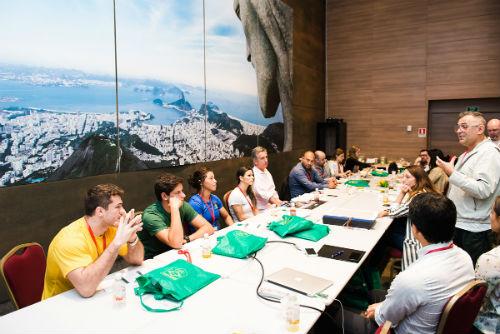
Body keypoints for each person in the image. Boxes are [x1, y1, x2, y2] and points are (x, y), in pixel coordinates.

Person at [360, 193, 475, 334]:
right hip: (439, 324)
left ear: (414, 229)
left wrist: (378, 310)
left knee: (335, 314)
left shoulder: (412, 278)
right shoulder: (465, 257)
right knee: (373, 294)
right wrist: (382, 306)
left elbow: (385, 318)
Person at [42, 184, 144, 299]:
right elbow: (86, 289)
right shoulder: (69, 239)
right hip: (59, 303)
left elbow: (137, 259)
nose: (123, 212)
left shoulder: (111, 228)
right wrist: (116, 244)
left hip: (93, 291)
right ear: (100, 211)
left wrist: (132, 238)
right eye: (118, 207)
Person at [437, 111, 500, 264]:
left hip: (474, 230)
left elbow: (482, 189)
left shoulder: (489, 152)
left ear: (480, 129)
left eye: (464, 126)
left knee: (472, 276)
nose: (459, 130)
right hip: (461, 223)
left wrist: (452, 172)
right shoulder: (469, 152)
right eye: (458, 127)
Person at [139, 173, 214, 259]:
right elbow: (176, 243)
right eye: (178, 192)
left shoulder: (183, 205)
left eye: (182, 191)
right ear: (164, 196)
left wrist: (187, 239)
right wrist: (174, 208)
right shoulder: (151, 215)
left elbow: (209, 228)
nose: (183, 195)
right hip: (152, 260)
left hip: (174, 253)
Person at [379, 165, 437, 269]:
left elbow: (393, 211)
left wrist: (401, 193)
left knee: (382, 234)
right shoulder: (425, 191)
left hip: (417, 243)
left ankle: (374, 270)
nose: (403, 180)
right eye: (403, 176)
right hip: (428, 238)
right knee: (391, 227)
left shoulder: (418, 197)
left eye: (407, 177)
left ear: (418, 179)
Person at [473, 196, 500, 334]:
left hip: (489, 326)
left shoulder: (491, 259)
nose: (490, 216)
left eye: (492, 212)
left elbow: (477, 298)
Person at [251, 146, 282, 211]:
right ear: (255, 161)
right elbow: (264, 194)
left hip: (273, 206)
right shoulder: (253, 174)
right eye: (262, 158)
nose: (266, 160)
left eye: (266, 157)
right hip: (262, 210)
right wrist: (278, 204)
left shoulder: (266, 171)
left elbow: (272, 189)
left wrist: (279, 202)